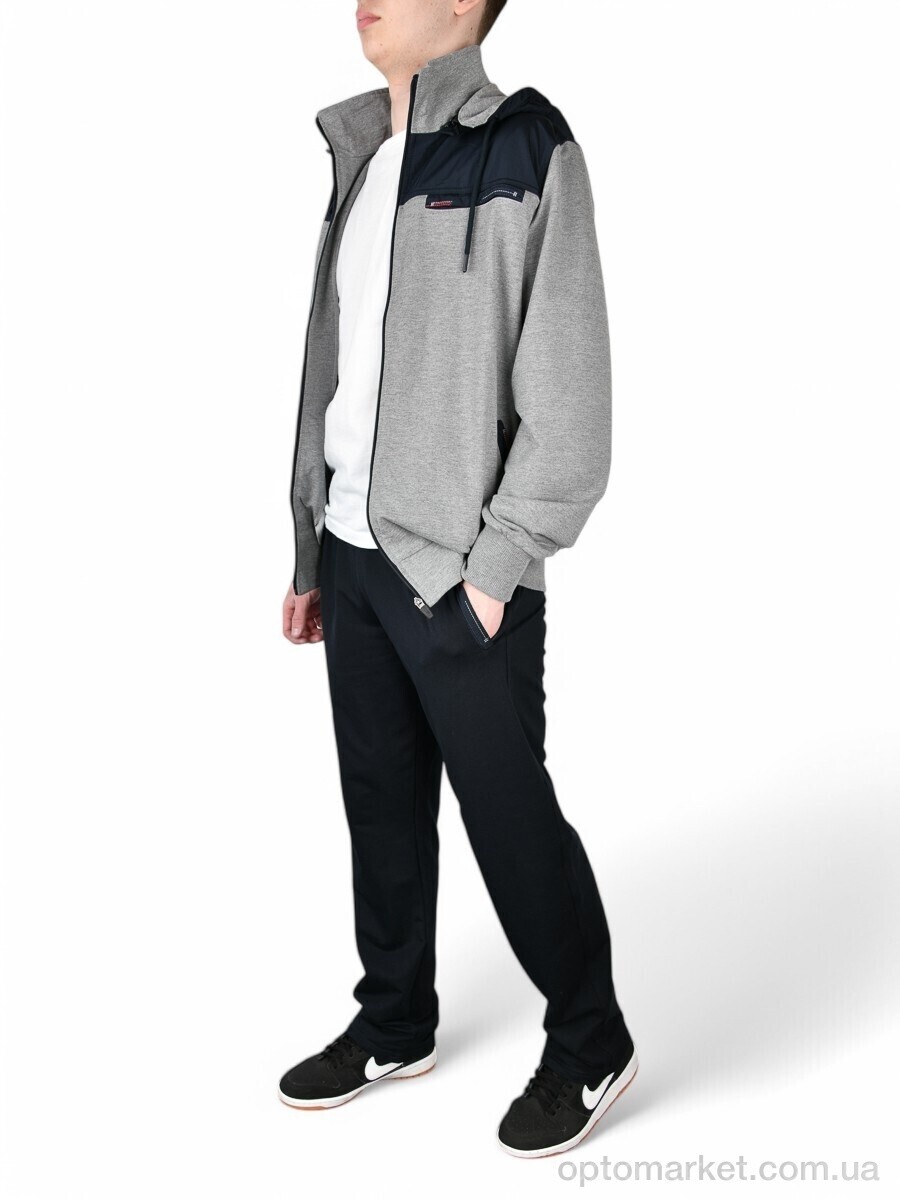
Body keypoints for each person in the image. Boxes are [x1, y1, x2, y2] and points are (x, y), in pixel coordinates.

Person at [279, 0, 637, 1158]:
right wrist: (308, 547)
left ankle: (590, 1042)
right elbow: (339, 372)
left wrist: (499, 566)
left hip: (460, 569)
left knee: (507, 814)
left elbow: (571, 396)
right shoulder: (360, 153)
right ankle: (395, 1023)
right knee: (380, 803)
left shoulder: (526, 144)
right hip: (353, 551)